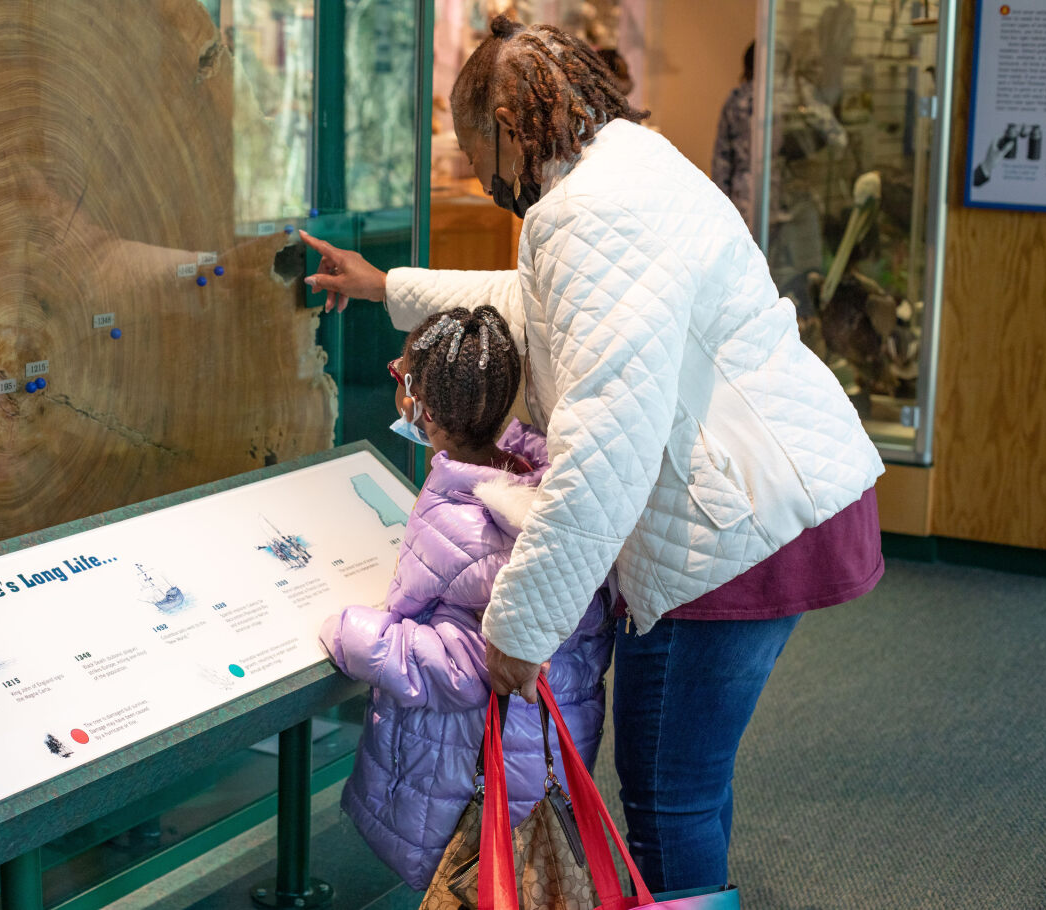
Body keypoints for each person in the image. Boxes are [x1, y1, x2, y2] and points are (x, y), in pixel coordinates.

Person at [303, 16, 884, 894]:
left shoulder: (589, 211)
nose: (476, 168)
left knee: (669, 795)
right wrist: (389, 288)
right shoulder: (621, 170)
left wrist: (520, 629)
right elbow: (538, 302)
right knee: (683, 786)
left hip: (736, 532)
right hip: (758, 500)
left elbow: (603, 442)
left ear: (506, 125)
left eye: (471, 145)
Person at [319, 304, 614, 889]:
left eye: (402, 378)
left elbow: (468, 664)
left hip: (480, 765)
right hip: (544, 744)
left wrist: (356, 637)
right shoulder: (548, 485)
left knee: (480, 884)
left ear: (423, 409)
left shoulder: (463, 518)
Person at [712, 42, 756, 228]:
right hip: (753, 197)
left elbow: (721, 159)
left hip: (743, 198)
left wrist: (721, 208)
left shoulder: (737, 98)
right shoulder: (739, 99)